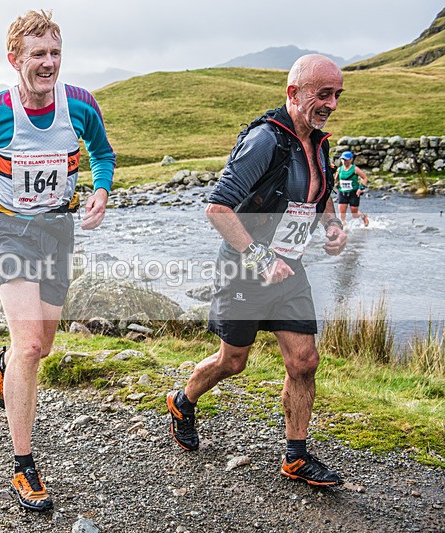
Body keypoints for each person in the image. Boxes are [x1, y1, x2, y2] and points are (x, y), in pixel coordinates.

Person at [0, 10, 115, 512]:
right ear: (14, 59)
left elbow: (103, 154)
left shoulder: (80, 104)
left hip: (58, 231)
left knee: (41, 347)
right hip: (10, 231)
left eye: (55, 53)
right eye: (38, 54)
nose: (49, 63)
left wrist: (101, 190)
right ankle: (23, 465)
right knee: (32, 343)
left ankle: (5, 363)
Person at [166, 54, 348, 486]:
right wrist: (260, 257)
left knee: (304, 361)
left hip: (291, 270)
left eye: (337, 95)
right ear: (294, 93)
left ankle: (296, 457)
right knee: (233, 362)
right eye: (323, 94)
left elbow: (320, 193)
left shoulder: (319, 141)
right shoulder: (266, 140)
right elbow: (218, 208)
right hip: (245, 269)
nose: (332, 104)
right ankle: (182, 400)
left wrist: (333, 225)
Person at [336, 151, 369, 226]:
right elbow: (336, 179)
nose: (344, 162)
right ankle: (343, 228)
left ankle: (364, 216)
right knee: (341, 214)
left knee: (354, 214)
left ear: (351, 159)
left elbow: (365, 178)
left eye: (346, 160)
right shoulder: (339, 169)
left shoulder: (355, 169)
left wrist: (360, 189)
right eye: (343, 160)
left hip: (353, 193)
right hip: (342, 193)